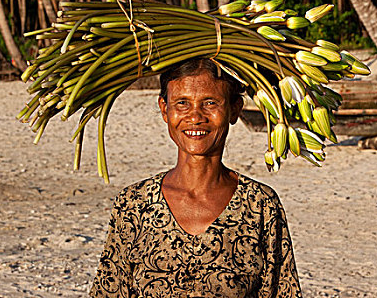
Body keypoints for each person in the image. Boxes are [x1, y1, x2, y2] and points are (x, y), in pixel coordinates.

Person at [90, 59, 302, 297]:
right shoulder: (134, 204)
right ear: (164, 108)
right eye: (182, 103)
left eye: (210, 103)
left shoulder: (260, 205)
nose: (195, 117)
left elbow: (283, 291)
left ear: (235, 109)